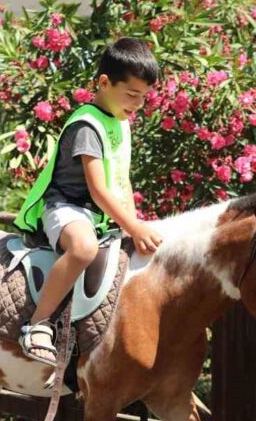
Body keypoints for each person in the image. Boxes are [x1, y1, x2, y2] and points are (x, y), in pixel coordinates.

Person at [12, 37, 163, 366]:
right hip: (66, 207)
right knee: (83, 249)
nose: (138, 104)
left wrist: (134, 224)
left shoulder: (120, 122)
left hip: (100, 215)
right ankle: (37, 325)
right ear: (105, 83)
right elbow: (98, 190)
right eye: (131, 94)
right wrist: (132, 225)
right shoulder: (87, 125)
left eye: (144, 97)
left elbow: (122, 180)